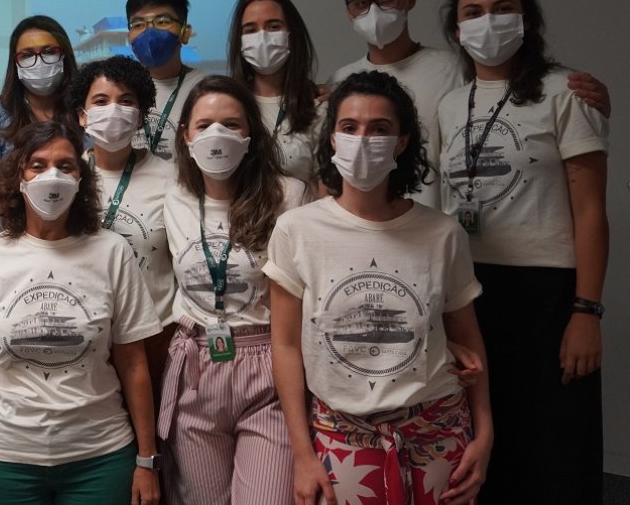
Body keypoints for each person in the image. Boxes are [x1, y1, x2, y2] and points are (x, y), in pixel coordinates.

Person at [266, 70, 492, 505]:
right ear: (331, 138)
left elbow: (469, 343)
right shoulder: (297, 229)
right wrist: (301, 454)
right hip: (341, 435)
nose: (363, 139)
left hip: (437, 429)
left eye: (380, 128)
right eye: (349, 128)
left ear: (402, 141)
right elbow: (287, 345)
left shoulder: (442, 234)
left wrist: (485, 436)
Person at [438, 0, 609, 504]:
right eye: (472, 13)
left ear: (527, 20)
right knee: (490, 441)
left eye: (501, 9)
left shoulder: (567, 92)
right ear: (457, 29)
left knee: (555, 444)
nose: (487, 23)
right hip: (471, 291)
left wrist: (587, 311)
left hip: (549, 294)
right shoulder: (449, 104)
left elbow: (590, 211)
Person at [0, 121, 162, 505]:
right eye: (38, 166)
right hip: (2, 455)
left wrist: (146, 460)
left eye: (66, 165)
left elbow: (133, 364)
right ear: (19, 179)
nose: (52, 176)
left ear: (81, 178)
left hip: (100, 456)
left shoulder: (111, 251)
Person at [327, 0, 610, 209]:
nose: (374, 11)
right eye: (361, 2)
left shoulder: (457, 69)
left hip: (441, 227)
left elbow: (517, 99)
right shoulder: (340, 82)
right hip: (370, 227)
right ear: (349, 12)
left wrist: (588, 103)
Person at [158, 75, 308, 505]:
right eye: (204, 125)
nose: (216, 135)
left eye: (231, 124)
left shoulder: (289, 195)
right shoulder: (173, 198)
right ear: (185, 136)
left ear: (251, 135)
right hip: (194, 366)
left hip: (267, 366)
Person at [65, 55, 175, 387]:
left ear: (140, 115)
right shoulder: (66, 178)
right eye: (101, 101)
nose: (113, 109)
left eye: (125, 101)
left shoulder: (173, 179)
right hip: (84, 337)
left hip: (155, 338)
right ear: (83, 116)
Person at [0, 15, 78, 210]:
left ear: (64, 56)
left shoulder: (86, 114)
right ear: (15, 64)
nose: (38, 61)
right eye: (27, 55)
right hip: (12, 232)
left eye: (49, 52)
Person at [227, 0, 325, 186]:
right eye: (250, 30)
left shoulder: (319, 107)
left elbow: (326, 191)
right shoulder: (228, 105)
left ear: (291, 34)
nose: (262, 37)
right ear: (240, 40)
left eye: (273, 27)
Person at [124, 0, 208, 161]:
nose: (149, 32)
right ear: (129, 39)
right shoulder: (120, 89)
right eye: (138, 24)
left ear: (185, 33)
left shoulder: (207, 89)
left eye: (162, 21)